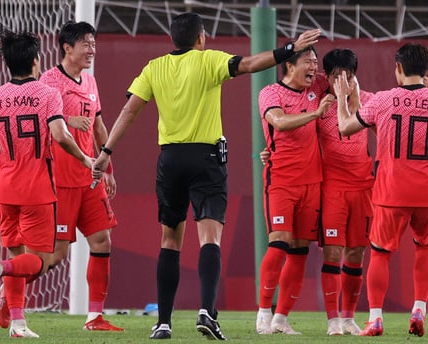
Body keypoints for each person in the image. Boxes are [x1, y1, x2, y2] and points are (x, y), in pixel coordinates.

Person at [91, 12, 321, 340]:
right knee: (209, 239)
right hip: (207, 159)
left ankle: (164, 323)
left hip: (170, 159)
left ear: (173, 38)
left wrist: (106, 152)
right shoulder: (208, 60)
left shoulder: (153, 68)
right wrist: (289, 49)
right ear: (201, 38)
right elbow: (251, 64)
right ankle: (206, 312)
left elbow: (129, 111)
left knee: (169, 241)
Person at [334, 42, 428, 337]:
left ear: (398, 68)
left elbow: (345, 127)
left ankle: (375, 318)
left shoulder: (383, 100)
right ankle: (419, 308)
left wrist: (341, 99)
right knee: (424, 248)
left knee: (381, 253)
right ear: (427, 71)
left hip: (391, 190)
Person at [0, 29, 92, 338]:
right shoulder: (48, 94)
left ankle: (18, 324)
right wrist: (85, 159)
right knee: (37, 262)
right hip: (37, 190)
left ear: (7, 63)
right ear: (36, 60)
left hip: (5, 189)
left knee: (16, 256)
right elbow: (60, 135)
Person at [35, 20, 122, 332]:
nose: (91, 49)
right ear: (66, 47)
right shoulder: (48, 82)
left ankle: (94, 317)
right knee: (56, 256)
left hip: (90, 178)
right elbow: (36, 128)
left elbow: (99, 126)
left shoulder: (90, 82)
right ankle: (7, 278)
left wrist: (107, 166)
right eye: (85, 43)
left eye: (93, 43)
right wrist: (67, 119)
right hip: (60, 182)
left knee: (102, 241)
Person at [254, 46, 333, 335]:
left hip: (312, 182)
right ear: (289, 66)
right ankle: (263, 312)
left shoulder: (318, 86)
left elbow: (344, 79)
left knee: (300, 251)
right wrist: (315, 115)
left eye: (316, 62)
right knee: (279, 243)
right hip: (281, 180)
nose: (314, 67)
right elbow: (279, 121)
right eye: (308, 62)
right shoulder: (270, 93)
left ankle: (281, 319)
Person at [316, 49, 373, 336]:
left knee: (356, 254)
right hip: (332, 189)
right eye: (336, 76)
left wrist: (355, 99)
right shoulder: (319, 106)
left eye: (348, 76)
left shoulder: (371, 102)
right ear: (325, 77)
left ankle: (350, 318)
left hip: (364, 188)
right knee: (333, 252)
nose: (342, 82)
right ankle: (332, 320)